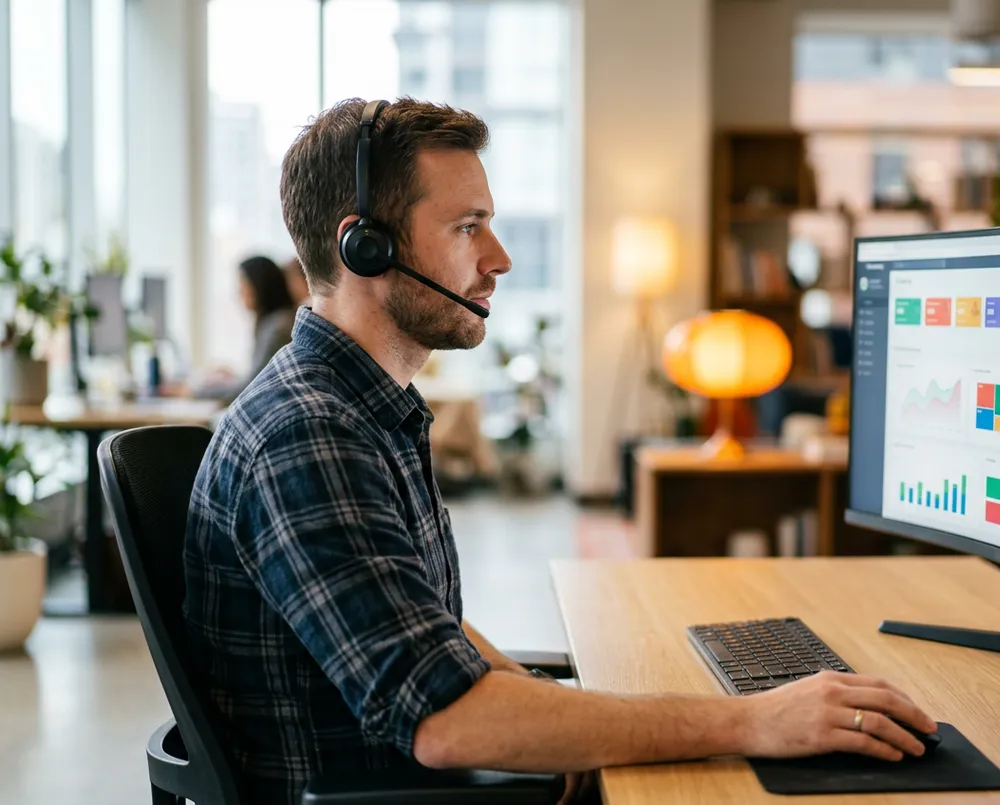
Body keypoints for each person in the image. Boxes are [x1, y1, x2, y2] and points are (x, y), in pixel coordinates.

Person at [183, 98, 936, 805]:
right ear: (366, 247)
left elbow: (418, 625)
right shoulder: (311, 436)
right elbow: (447, 721)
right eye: (467, 227)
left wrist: (571, 730)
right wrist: (753, 720)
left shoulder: (355, 406)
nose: (500, 258)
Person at [183, 255, 296, 402]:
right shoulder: (274, 322)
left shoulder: (278, 328)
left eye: (243, 285)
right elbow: (258, 378)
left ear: (259, 286)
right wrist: (235, 377)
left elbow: (251, 387)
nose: (239, 292)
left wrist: (193, 392)